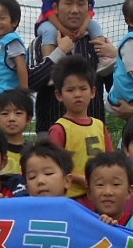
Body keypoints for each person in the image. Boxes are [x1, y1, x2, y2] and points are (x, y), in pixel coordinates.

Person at [29, 0, 117, 132]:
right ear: (55, 7)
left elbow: (113, 86)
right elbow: (31, 83)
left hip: (93, 134)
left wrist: (117, 59)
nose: (75, 10)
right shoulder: (39, 43)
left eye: (81, 3)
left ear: (89, 8)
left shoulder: (98, 43)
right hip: (51, 135)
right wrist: (59, 53)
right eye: (68, 3)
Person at [47, 56, 112, 198]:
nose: (77, 94)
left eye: (83, 88)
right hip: (72, 199)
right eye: (70, 90)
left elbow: (110, 160)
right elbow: (53, 167)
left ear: (93, 91)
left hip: (100, 197)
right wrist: (80, 179)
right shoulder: (60, 129)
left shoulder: (99, 126)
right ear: (59, 94)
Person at [82, 151, 133, 228]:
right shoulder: (83, 224)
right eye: (100, 184)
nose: (108, 192)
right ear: (89, 192)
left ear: (129, 191)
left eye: (116, 184)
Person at [0, 88, 34, 176]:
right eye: (5, 113)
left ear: (28, 119)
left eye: (18, 113)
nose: (11, 118)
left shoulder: (34, 151)